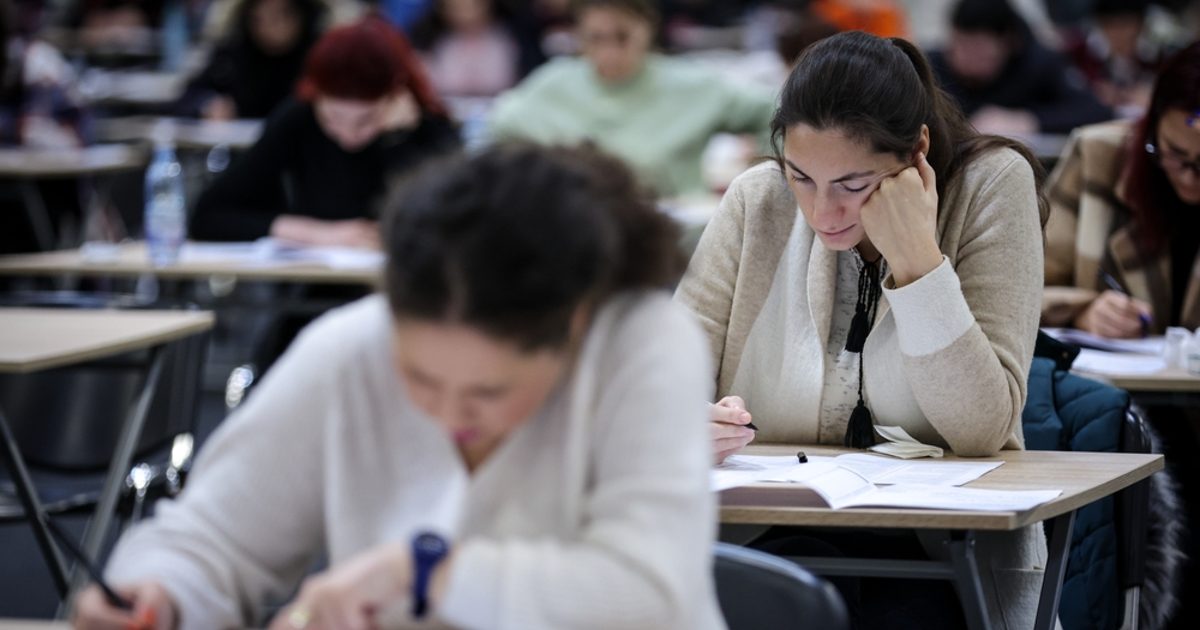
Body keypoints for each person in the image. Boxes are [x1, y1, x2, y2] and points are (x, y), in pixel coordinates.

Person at [72, 143, 724, 630]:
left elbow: (650, 592)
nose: (446, 415)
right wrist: (160, 591)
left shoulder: (643, 344)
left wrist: (423, 572)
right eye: (417, 377)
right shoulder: (353, 348)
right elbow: (214, 536)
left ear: (574, 325)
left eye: (489, 393)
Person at [675, 31, 1048, 627]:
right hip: (765, 539)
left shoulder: (990, 187)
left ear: (915, 151)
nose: (823, 212)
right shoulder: (757, 199)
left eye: (853, 185)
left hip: (944, 557)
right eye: (801, 177)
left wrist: (918, 260)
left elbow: (980, 429)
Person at [189, 16, 460, 246]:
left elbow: (452, 225)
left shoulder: (427, 127)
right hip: (314, 293)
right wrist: (315, 232)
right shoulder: (300, 118)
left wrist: (398, 141)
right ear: (315, 97)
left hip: (410, 293)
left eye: (365, 120)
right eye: (332, 119)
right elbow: (209, 215)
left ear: (393, 98)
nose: (347, 134)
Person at [487, 0, 775, 197]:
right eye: (594, 39)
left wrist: (759, 176)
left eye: (622, 37)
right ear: (578, 35)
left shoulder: (692, 85)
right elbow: (498, 128)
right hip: (577, 240)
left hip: (675, 241)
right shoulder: (554, 83)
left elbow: (777, 114)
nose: (608, 52)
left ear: (647, 29)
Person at [1042, 41, 1200, 337]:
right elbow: (1023, 287)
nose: (1189, 179)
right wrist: (1083, 311)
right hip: (1113, 378)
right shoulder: (1098, 157)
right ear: (1152, 126)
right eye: (1175, 154)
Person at [928, 0, 1113, 135]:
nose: (966, 58)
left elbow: (1095, 110)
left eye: (979, 50)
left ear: (1008, 43)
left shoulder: (1037, 64)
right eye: (960, 45)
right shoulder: (932, 67)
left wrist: (1028, 120)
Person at [176, 0, 328, 120]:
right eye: (258, 19)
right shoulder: (233, 55)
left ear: (302, 15)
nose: (267, 27)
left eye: (280, 16)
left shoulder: (320, 57)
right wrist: (208, 105)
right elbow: (190, 95)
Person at [410, 0, 520, 98]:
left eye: (470, 5)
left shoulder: (506, 39)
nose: (464, 13)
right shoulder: (433, 42)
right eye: (455, 7)